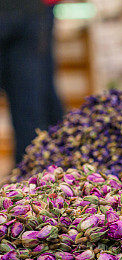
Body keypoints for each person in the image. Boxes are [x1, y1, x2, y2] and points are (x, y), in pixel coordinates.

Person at [0, 0, 64, 163]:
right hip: (30, 12)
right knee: (30, 108)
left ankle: (28, 179)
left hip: (29, 12)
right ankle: (29, 176)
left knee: (30, 109)